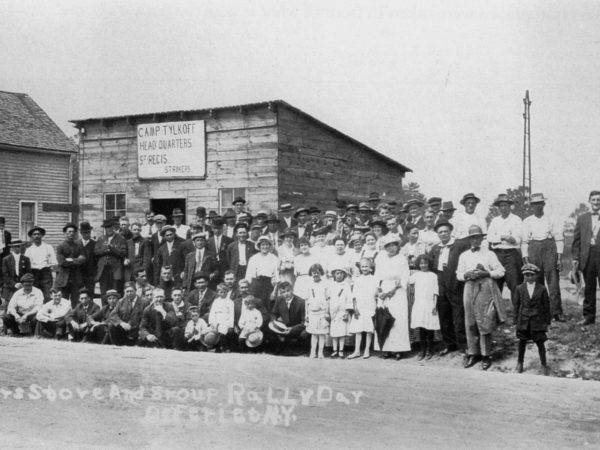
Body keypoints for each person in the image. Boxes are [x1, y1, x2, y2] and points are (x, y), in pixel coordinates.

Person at [457, 225, 507, 370]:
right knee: (470, 320)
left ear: (481, 238)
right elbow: (459, 274)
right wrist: (467, 275)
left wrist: (486, 273)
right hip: (469, 287)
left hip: (485, 286)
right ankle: (473, 353)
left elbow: (501, 271)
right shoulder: (464, 255)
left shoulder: (489, 254)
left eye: (478, 237)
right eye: (472, 237)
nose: (475, 240)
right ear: (469, 239)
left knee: (485, 319)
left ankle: (486, 354)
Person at [522, 193, 565, 322]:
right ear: (531, 206)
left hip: (549, 247)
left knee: (553, 282)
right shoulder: (527, 221)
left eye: (540, 203)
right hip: (533, 248)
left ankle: (556, 312)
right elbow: (524, 241)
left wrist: (559, 258)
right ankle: (540, 312)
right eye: (535, 204)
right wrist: (526, 259)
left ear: (544, 204)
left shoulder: (551, 219)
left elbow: (559, 239)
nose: (538, 206)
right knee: (536, 281)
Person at [429, 219, 468, 356]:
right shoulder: (435, 248)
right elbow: (431, 266)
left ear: (450, 232)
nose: (443, 234)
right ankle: (449, 343)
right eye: (440, 232)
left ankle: (463, 344)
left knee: (458, 314)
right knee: (444, 314)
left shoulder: (459, 245)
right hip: (440, 281)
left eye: (446, 231)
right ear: (437, 234)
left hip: (455, 281)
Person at [374, 234, 411, 360]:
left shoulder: (402, 259)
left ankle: (398, 349)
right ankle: (385, 348)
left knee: (398, 319)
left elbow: (405, 276)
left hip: (397, 290)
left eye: (393, 245)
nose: (391, 248)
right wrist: (379, 290)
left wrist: (394, 289)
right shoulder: (380, 259)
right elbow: (377, 276)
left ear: (397, 246)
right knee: (384, 317)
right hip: (383, 289)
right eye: (388, 246)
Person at [513, 263, 551, 375]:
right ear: (524, 276)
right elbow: (516, 305)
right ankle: (520, 363)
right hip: (523, 320)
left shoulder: (542, 289)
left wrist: (547, 322)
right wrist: (515, 320)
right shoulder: (519, 288)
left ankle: (543, 364)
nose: (529, 277)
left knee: (540, 343)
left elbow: (546, 306)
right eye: (527, 275)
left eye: (532, 275)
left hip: (537, 320)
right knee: (522, 342)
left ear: (536, 275)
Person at [487, 194, 524, 299]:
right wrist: (503, 237)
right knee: (495, 285)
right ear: (498, 207)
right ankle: (497, 314)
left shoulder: (516, 220)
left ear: (510, 206)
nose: (503, 208)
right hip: (497, 254)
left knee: (515, 284)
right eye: (501, 206)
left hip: (511, 255)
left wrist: (506, 239)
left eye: (505, 205)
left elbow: (516, 240)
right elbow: (489, 237)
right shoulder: (495, 221)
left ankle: (517, 313)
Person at [572, 190, 600, 325]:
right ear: (589, 201)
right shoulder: (582, 218)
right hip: (587, 257)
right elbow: (576, 241)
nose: (596, 202)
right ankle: (589, 317)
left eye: (598, 200)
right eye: (594, 200)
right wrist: (576, 258)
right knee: (589, 287)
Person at [409, 255, 440, 360]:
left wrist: (435, 305)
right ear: (418, 264)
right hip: (419, 303)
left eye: (425, 263)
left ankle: (429, 350)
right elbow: (408, 281)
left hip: (430, 303)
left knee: (429, 328)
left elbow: (436, 291)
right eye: (421, 263)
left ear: (429, 264)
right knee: (421, 327)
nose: (423, 265)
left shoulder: (433, 275)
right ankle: (422, 350)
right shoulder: (416, 275)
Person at [348, 258, 378, 359]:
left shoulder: (374, 279)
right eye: (363, 266)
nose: (364, 268)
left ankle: (367, 350)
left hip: (370, 306)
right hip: (360, 307)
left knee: (369, 329)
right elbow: (354, 296)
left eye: (366, 266)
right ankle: (357, 351)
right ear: (360, 268)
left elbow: (376, 293)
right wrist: (355, 308)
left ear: (370, 268)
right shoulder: (358, 279)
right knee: (358, 330)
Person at [95, 219, 127, 303]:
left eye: (109, 227)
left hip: (115, 270)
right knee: (104, 292)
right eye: (106, 227)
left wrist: (112, 248)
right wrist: (105, 250)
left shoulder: (121, 238)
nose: (108, 229)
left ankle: (115, 312)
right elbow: (96, 252)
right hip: (103, 270)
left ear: (113, 227)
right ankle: (105, 313)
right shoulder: (101, 238)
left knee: (115, 292)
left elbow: (123, 253)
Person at [55, 222, 86, 308]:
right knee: (63, 302)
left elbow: (83, 259)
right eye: (69, 232)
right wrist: (76, 260)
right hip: (64, 279)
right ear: (64, 233)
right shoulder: (60, 246)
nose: (71, 233)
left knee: (76, 302)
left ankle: (75, 319)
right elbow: (62, 262)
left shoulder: (79, 245)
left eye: (73, 232)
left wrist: (71, 260)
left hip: (76, 278)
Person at [108, 281, 146, 346]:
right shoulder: (121, 301)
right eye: (127, 291)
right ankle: (116, 345)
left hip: (137, 330)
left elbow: (145, 318)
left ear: (135, 290)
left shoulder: (144, 302)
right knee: (111, 325)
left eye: (131, 291)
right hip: (124, 330)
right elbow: (112, 315)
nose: (129, 293)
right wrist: (121, 323)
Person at [25, 225, 57, 302]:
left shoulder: (48, 247)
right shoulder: (28, 250)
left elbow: (53, 263)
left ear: (42, 235)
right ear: (31, 236)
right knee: (35, 296)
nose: (37, 236)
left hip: (45, 274)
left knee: (46, 295)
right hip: (34, 274)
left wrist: (53, 278)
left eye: (38, 234)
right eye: (34, 234)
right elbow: (27, 266)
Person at [305, 263, 330, 359]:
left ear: (321, 273)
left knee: (322, 333)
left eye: (317, 272)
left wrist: (327, 312)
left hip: (322, 312)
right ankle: (313, 352)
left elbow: (328, 299)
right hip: (312, 312)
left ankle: (320, 352)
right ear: (311, 273)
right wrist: (306, 314)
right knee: (314, 334)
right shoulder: (309, 285)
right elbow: (306, 300)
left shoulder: (325, 284)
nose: (315, 274)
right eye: (314, 273)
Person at [245, 236, 279, 305]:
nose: (265, 247)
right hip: (256, 285)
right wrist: (249, 290)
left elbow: (277, 276)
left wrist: (274, 292)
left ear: (269, 246)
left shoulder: (274, 259)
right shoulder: (253, 258)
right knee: (256, 306)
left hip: (268, 285)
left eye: (267, 244)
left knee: (268, 307)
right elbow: (248, 275)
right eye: (263, 245)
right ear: (259, 246)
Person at [329, 267, 352, 358]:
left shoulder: (346, 285)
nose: (339, 275)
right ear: (334, 275)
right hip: (333, 311)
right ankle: (335, 350)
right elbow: (328, 297)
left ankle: (341, 350)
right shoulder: (331, 285)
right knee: (334, 332)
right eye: (337, 273)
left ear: (344, 275)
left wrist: (347, 311)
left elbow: (349, 298)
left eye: (341, 273)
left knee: (342, 331)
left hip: (342, 311)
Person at [208, 283, 236, 352]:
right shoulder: (216, 301)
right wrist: (211, 321)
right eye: (221, 292)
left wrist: (230, 325)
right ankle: (213, 345)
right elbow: (212, 312)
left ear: (227, 292)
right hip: (216, 318)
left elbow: (231, 314)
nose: (222, 294)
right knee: (214, 331)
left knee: (222, 331)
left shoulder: (230, 302)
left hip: (225, 319)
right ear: (218, 292)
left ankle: (221, 347)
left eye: (224, 292)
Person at [207, 217, 233, 287]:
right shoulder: (208, 241)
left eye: (219, 228)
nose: (217, 230)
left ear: (222, 228)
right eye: (215, 228)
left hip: (225, 270)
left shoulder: (229, 241)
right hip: (212, 270)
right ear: (212, 228)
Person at [78, 221, 97, 295]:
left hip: (90, 276)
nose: (87, 235)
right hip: (79, 275)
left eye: (88, 232)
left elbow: (97, 261)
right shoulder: (76, 244)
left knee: (90, 295)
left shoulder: (95, 244)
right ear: (81, 233)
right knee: (79, 296)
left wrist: (95, 274)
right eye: (84, 233)